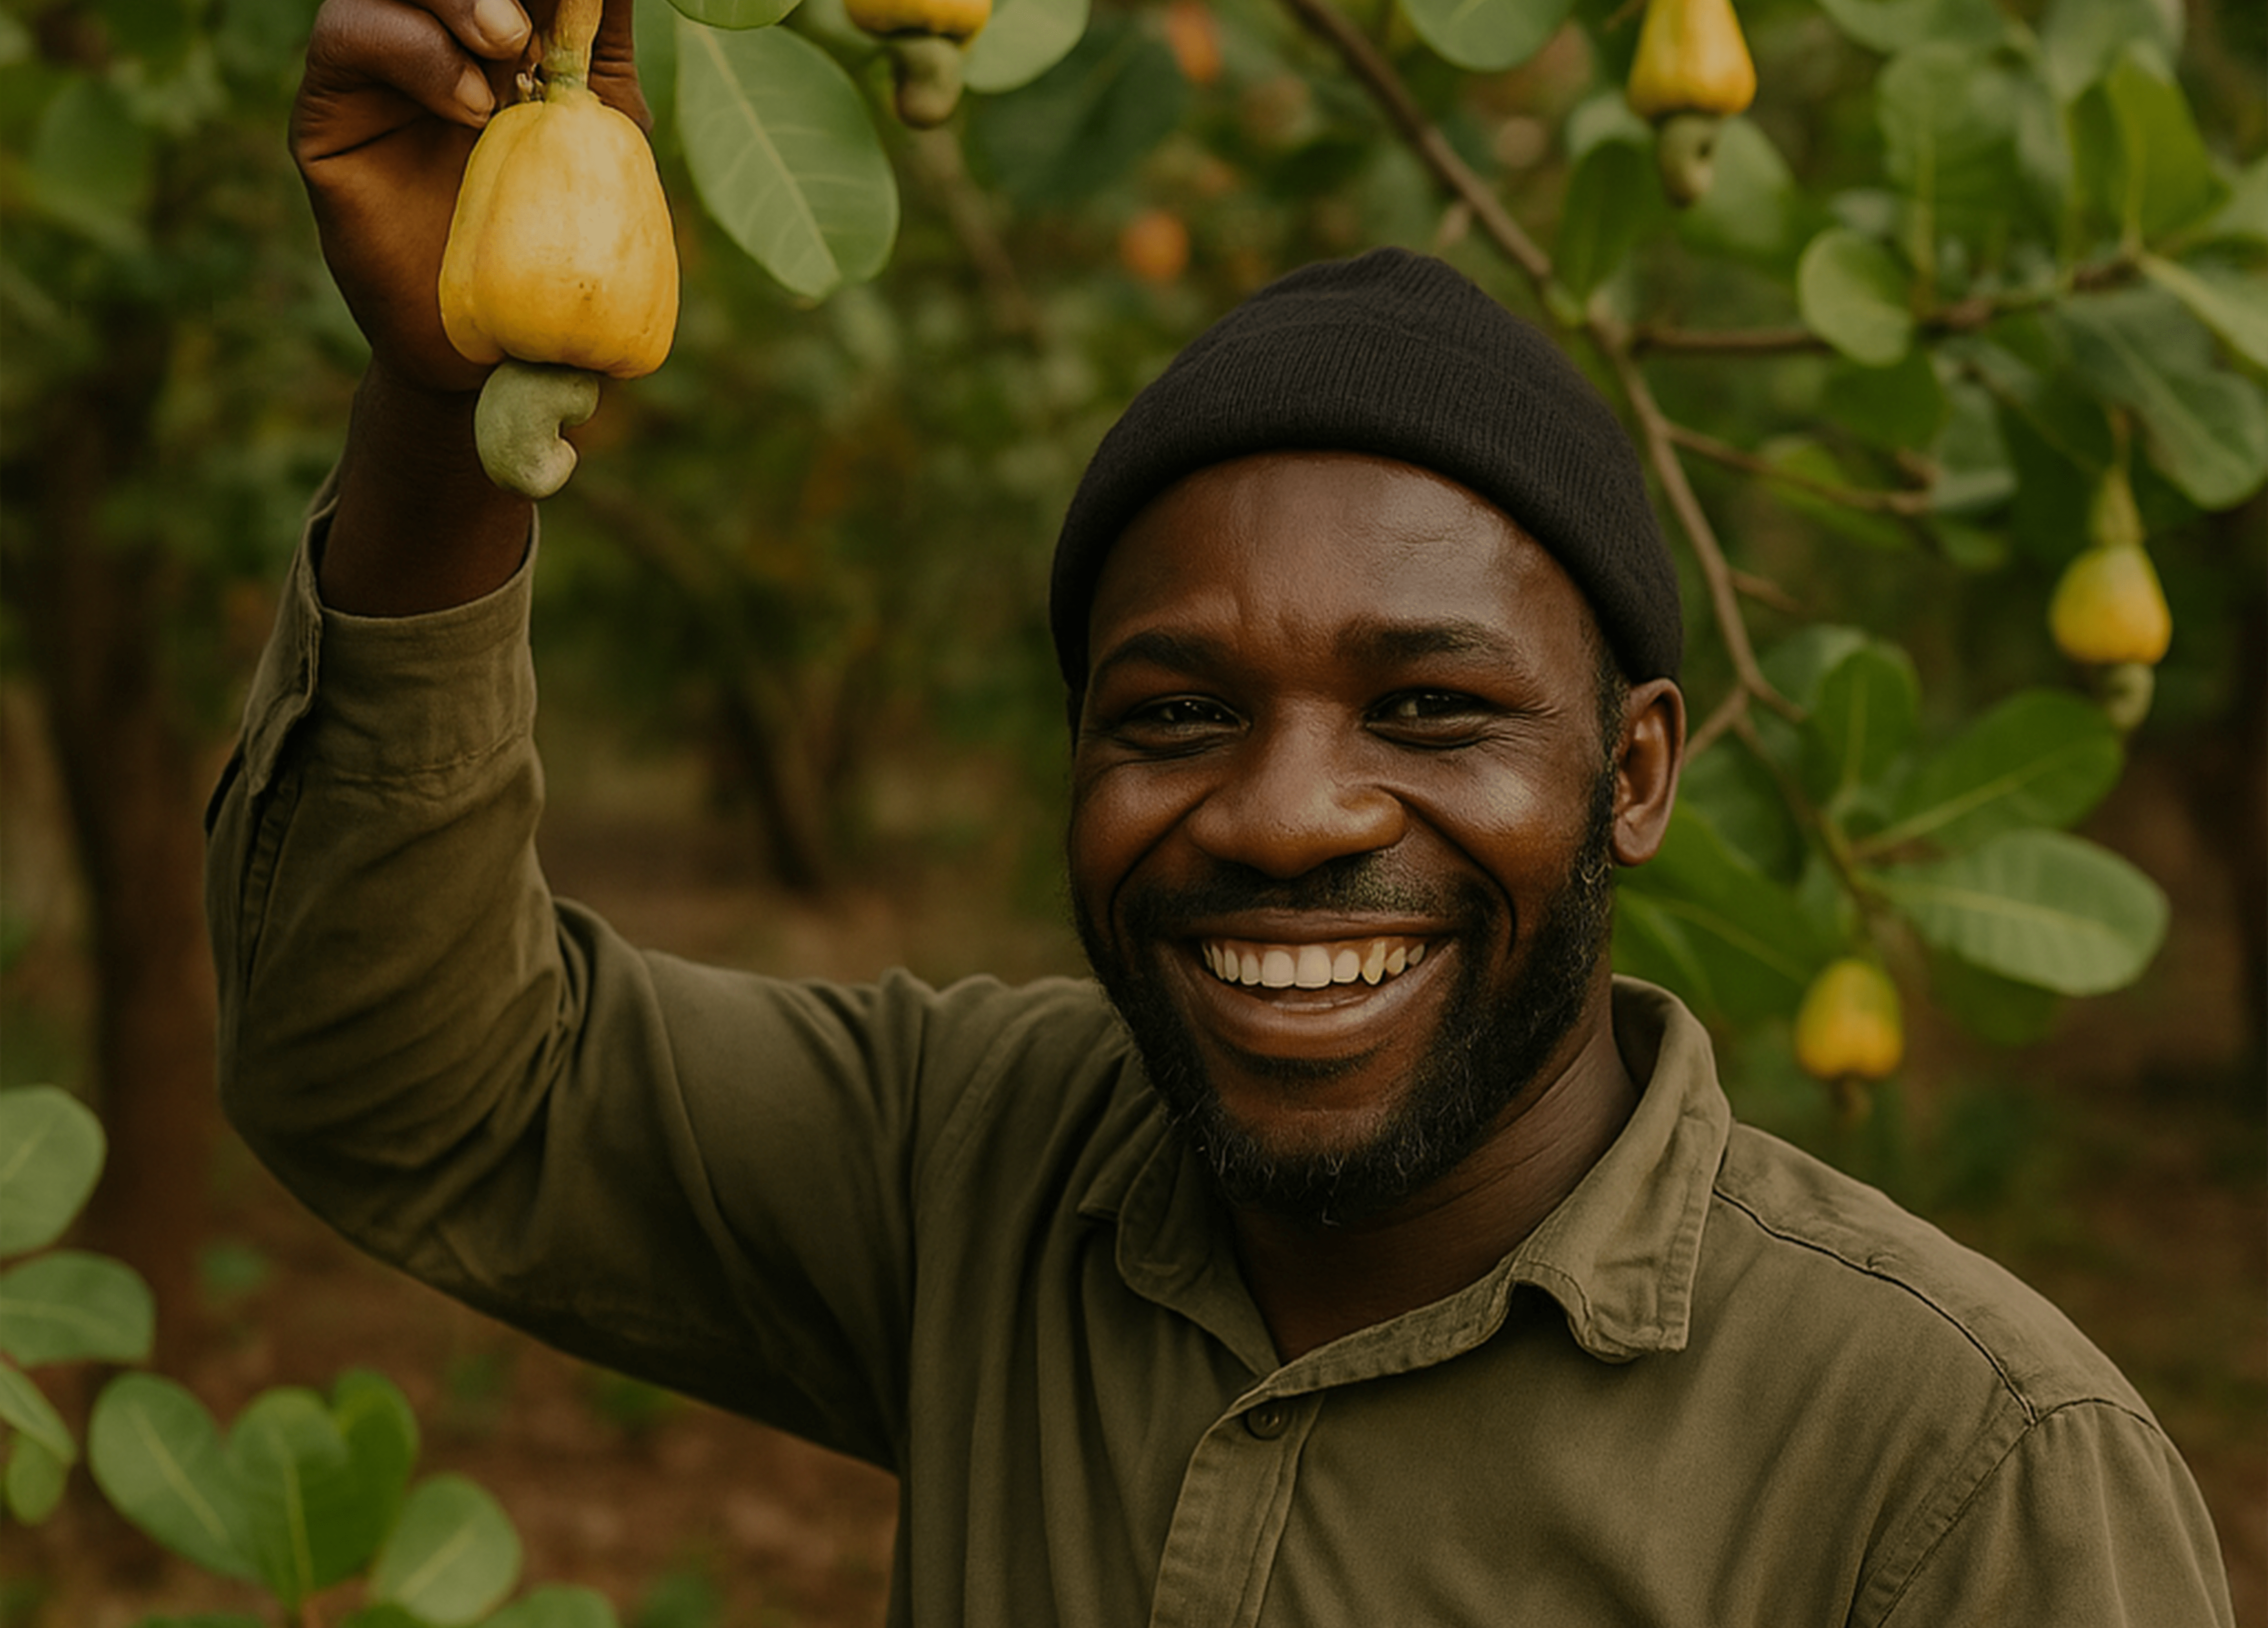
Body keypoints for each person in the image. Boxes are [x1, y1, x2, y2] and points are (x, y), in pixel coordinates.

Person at [208, 0, 2236, 1619]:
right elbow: (407, 1080)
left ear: (1630, 777)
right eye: (1174, 712)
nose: (1278, 817)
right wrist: (439, 401)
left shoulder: (1965, 1468)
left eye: (1429, 709)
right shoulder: (973, 1169)